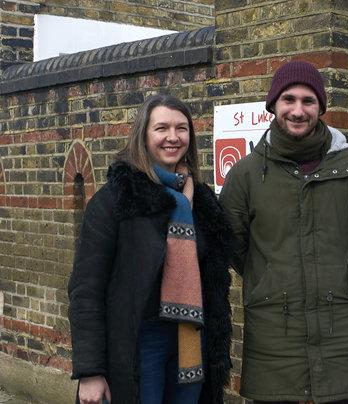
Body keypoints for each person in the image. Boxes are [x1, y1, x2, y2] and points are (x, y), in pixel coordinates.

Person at [219, 60, 348, 403]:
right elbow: (234, 245)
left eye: (308, 101)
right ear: (273, 106)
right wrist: (270, 277)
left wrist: (343, 270)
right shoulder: (246, 174)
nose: (298, 110)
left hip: (340, 327)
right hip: (274, 334)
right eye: (289, 100)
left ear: (321, 108)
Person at [68, 94, 233, 404]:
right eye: (162, 128)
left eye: (181, 128)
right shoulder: (116, 200)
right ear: (143, 135)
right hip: (139, 343)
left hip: (190, 339)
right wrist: (90, 370)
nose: (173, 137)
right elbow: (86, 288)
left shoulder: (203, 202)